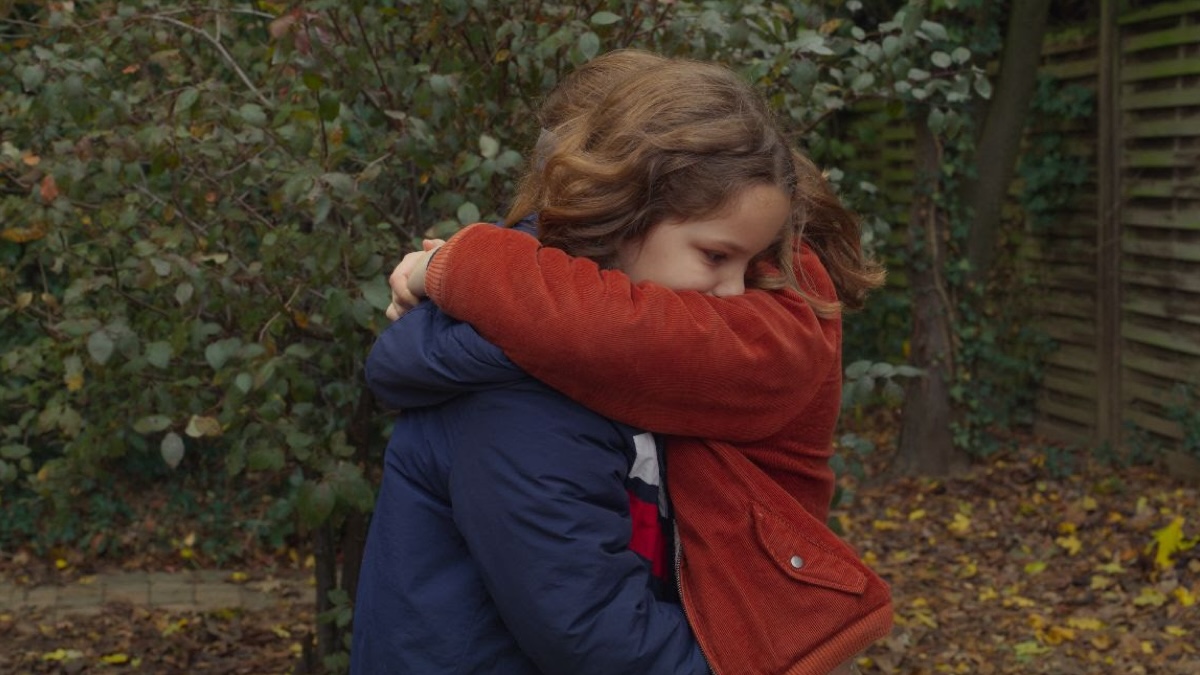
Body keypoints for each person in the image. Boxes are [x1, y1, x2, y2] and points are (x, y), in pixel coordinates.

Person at [386, 50, 892, 674]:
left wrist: (457, 266)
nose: (735, 291)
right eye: (714, 257)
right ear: (620, 206)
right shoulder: (519, 387)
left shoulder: (785, 296)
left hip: (748, 620)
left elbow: (622, 330)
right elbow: (590, 631)